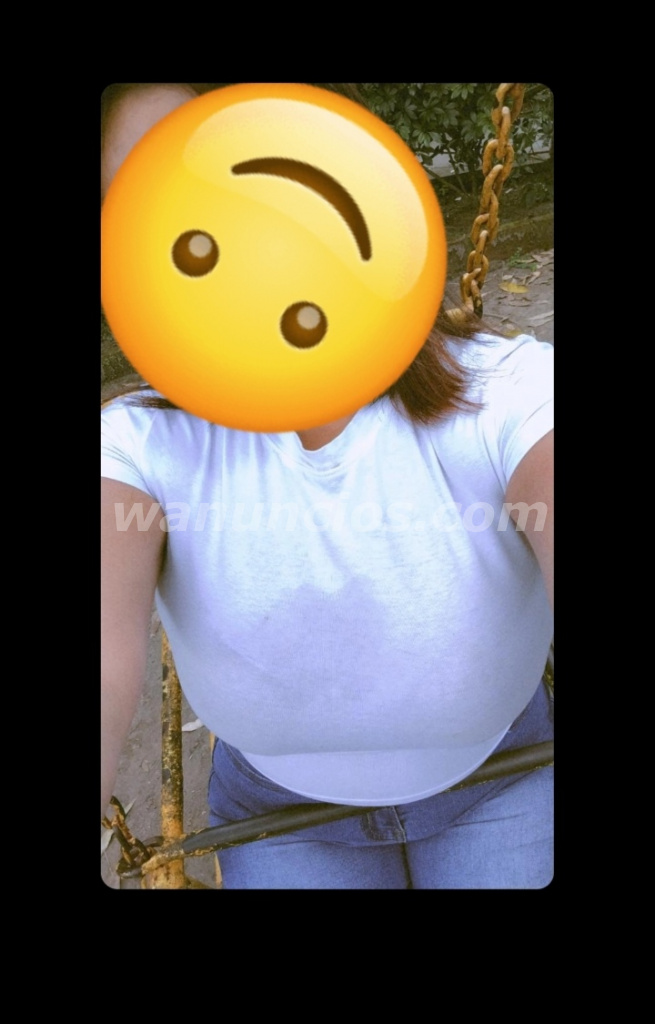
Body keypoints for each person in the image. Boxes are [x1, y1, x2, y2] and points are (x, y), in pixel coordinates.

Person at [101, 83, 554, 889]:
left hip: (503, 776)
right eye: (144, 203)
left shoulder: (503, 392)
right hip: (275, 810)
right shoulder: (138, 444)